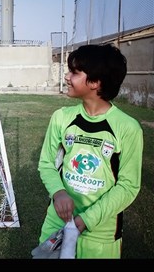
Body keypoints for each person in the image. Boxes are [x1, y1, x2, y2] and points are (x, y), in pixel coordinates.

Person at [35, 44, 143, 259]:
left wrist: (86, 220)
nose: (67, 77)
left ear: (95, 82)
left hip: (99, 235)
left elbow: (128, 186)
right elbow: (46, 163)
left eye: (74, 72)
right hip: (57, 223)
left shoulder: (127, 128)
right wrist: (59, 192)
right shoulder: (61, 117)